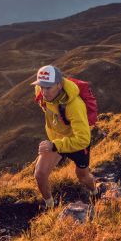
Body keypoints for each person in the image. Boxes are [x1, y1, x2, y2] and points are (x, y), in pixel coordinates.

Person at [31, 65, 97, 208]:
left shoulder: (74, 105)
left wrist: (54, 145)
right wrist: (55, 143)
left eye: (48, 87)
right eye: (41, 86)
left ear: (59, 85)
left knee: (83, 177)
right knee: (40, 174)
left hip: (77, 144)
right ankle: (50, 206)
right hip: (56, 141)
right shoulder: (41, 92)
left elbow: (83, 139)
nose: (44, 91)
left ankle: (95, 192)